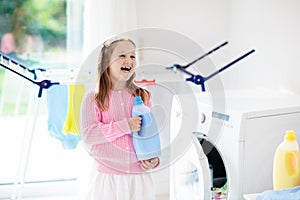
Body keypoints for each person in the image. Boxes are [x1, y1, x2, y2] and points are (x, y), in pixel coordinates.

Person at [80, 37, 160, 200]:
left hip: (139, 177)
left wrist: (153, 158)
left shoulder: (142, 95)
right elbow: (89, 135)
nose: (129, 60)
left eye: (132, 56)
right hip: (108, 178)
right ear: (106, 63)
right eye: (122, 55)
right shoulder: (93, 99)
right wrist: (125, 126)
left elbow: (150, 134)